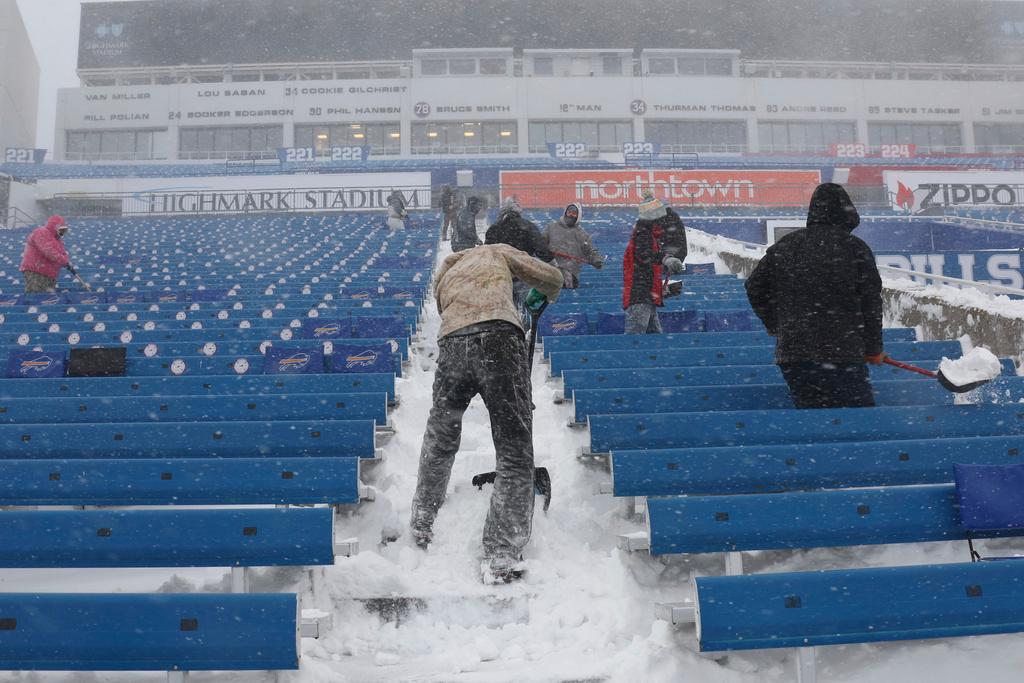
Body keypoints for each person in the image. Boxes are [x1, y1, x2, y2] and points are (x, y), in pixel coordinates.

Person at [410, 242, 564, 583]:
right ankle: (501, 553)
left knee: (441, 437)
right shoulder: (496, 251)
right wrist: (541, 294)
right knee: (513, 448)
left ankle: (422, 523)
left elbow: (446, 308)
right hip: (498, 339)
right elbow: (552, 278)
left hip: (452, 345)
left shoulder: (446, 271)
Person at [744, 182, 884, 409]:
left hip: (795, 354)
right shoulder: (855, 247)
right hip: (845, 352)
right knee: (858, 419)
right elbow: (871, 303)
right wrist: (874, 348)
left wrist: (776, 324)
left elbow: (754, 287)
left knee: (812, 417)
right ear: (847, 212)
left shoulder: (786, 245)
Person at [622, 193, 687, 334]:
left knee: (653, 338)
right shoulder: (643, 234)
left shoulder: (649, 235)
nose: (664, 220)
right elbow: (645, 256)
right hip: (640, 298)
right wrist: (666, 259)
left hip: (646, 298)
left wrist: (666, 290)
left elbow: (648, 269)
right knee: (635, 339)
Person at [484, 198, 554, 330]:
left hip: (502, 275)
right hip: (524, 274)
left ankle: (510, 331)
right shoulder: (527, 226)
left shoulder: (494, 229)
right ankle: (528, 331)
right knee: (529, 306)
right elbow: (542, 250)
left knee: (507, 308)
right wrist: (551, 261)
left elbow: (487, 253)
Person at [544, 203, 604, 289]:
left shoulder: (582, 234)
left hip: (570, 272)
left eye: (574, 213)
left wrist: (597, 260)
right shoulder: (551, 228)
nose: (571, 214)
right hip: (550, 269)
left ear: (578, 215)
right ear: (565, 213)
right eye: (569, 212)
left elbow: (590, 250)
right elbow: (541, 243)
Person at [20, 215, 72, 293]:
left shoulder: (58, 241)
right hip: (36, 271)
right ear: (55, 227)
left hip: (50, 274)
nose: (62, 233)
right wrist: (64, 261)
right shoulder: (41, 232)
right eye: (61, 230)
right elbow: (49, 251)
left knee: (46, 299)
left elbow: (63, 254)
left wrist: (66, 262)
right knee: (36, 297)